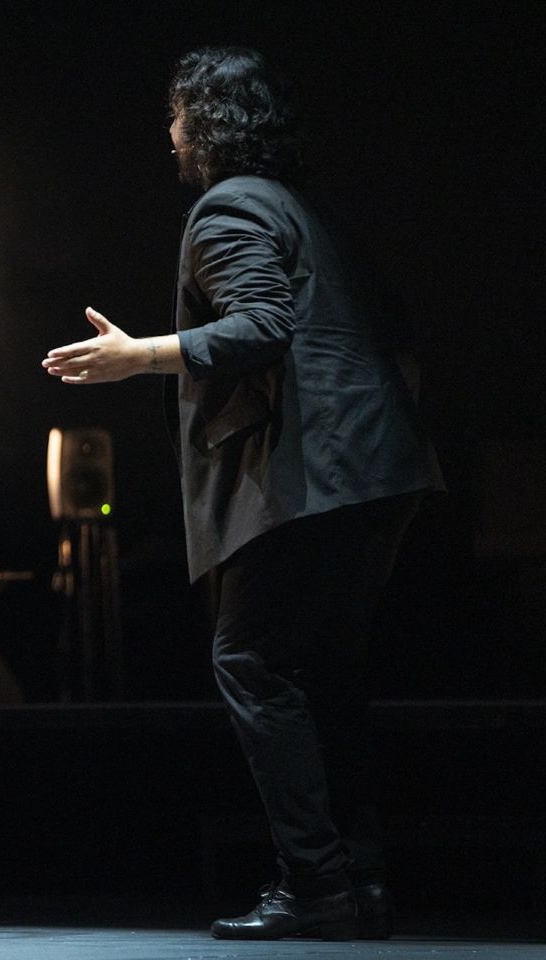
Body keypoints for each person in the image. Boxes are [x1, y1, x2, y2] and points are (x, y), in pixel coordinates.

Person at [42, 48, 442, 940]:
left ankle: (316, 885)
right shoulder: (311, 210)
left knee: (251, 661)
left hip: (315, 476)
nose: (170, 134)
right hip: (380, 470)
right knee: (325, 675)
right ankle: (359, 882)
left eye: (177, 116)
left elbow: (263, 324)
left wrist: (138, 356)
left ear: (206, 125)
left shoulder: (228, 208)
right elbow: (393, 333)